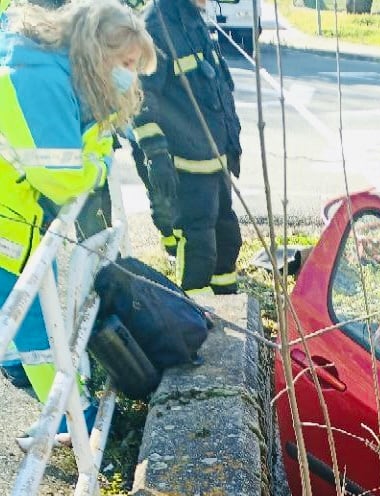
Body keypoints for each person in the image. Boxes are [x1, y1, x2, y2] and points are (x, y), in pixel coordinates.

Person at [0, 0, 156, 449]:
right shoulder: (40, 80)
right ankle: (79, 424)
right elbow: (64, 176)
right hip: (10, 227)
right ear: (96, 52)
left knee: (33, 328)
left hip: (17, 221)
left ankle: (71, 416)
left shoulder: (48, 70)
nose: (129, 74)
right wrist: (97, 164)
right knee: (33, 331)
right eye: (125, 63)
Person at [132, 0, 242, 295]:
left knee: (227, 238)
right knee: (198, 246)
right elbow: (142, 96)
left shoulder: (190, 18)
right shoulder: (157, 26)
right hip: (188, 165)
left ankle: (226, 304)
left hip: (215, 159)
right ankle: (197, 314)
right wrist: (156, 154)